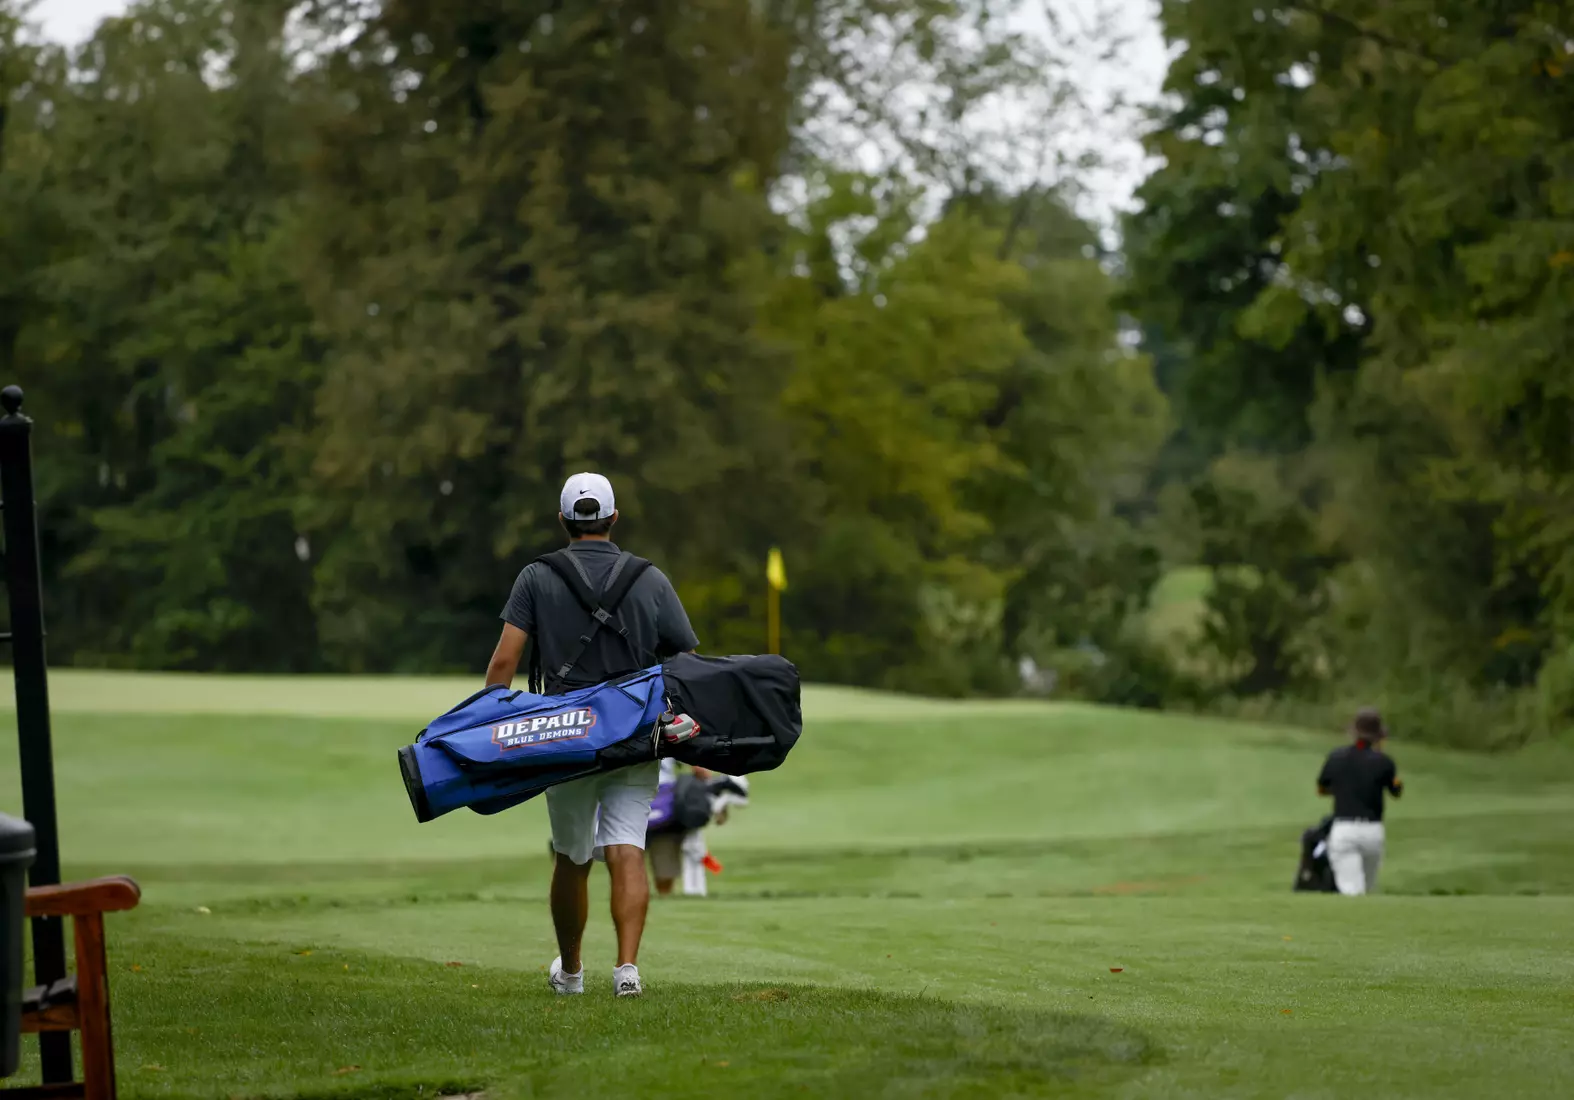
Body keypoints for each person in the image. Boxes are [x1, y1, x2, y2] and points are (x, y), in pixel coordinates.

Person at [484, 472, 699, 998]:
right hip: (634, 733)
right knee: (627, 846)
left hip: (566, 734)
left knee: (573, 855)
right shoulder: (650, 578)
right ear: (613, 518)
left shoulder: (535, 577)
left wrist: (492, 728)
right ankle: (627, 971)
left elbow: (504, 663)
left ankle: (573, 973)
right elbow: (687, 661)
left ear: (562, 520)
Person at [1316, 707, 1404, 895]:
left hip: (1344, 829)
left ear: (1354, 732)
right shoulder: (1384, 762)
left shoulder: (1336, 756)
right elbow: (1396, 791)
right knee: (1368, 888)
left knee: (1352, 891)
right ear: (1379, 736)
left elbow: (1321, 789)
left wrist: (1343, 790)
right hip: (1373, 831)